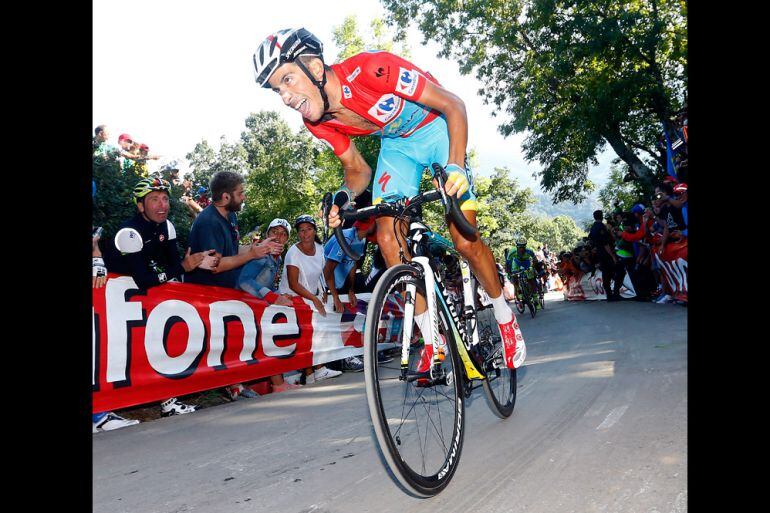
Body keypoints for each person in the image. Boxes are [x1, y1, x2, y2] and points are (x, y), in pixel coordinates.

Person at [254, 27, 526, 370]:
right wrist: (342, 198)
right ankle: (431, 339)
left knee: (465, 240)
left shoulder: (372, 69)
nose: (286, 96)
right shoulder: (318, 120)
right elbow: (357, 171)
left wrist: (455, 165)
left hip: (438, 128)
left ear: (317, 70)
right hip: (398, 148)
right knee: (387, 237)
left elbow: (454, 105)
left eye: (289, 80)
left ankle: (504, 318)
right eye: (278, 89)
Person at [104, 177, 213, 417]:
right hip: (113, 295)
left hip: (141, 293)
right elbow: (147, 278)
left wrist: (191, 264)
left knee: (161, 342)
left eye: (165, 198)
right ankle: (108, 408)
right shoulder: (130, 232)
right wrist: (182, 267)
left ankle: (168, 401)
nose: (162, 204)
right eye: (154, 199)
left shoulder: (168, 227)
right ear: (141, 206)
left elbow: (173, 265)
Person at [184, 171, 287, 399]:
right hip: (206, 294)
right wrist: (252, 254)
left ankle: (237, 382)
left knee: (236, 338)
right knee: (222, 341)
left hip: (225, 291)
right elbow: (216, 266)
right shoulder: (209, 222)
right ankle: (232, 385)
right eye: (240, 193)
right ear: (226, 197)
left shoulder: (230, 216)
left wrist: (261, 248)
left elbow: (231, 252)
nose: (244, 197)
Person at [279, 214, 342, 383]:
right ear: (298, 234)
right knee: (307, 333)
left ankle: (313, 373)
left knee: (317, 330)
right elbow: (293, 284)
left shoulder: (321, 249)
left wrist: (333, 294)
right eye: (301, 230)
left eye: (308, 229)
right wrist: (314, 299)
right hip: (291, 296)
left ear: (314, 231)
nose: (305, 233)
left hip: (309, 296)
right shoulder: (293, 252)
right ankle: (313, 371)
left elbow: (327, 274)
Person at [587, 209, 619, 301]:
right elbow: (605, 243)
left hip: (599, 253)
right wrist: (612, 256)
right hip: (606, 252)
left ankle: (609, 294)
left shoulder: (593, 228)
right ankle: (614, 293)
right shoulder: (601, 227)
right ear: (601, 216)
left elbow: (591, 240)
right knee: (613, 272)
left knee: (605, 273)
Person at [505, 238, 540, 307]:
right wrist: (509, 273)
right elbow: (508, 264)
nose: (521, 249)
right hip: (516, 264)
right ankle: (519, 291)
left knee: (531, 279)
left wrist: (532, 267)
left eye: (523, 247)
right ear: (517, 246)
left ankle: (535, 298)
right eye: (520, 247)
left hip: (526, 263)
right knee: (514, 277)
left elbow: (535, 260)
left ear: (525, 246)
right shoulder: (512, 252)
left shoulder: (529, 251)